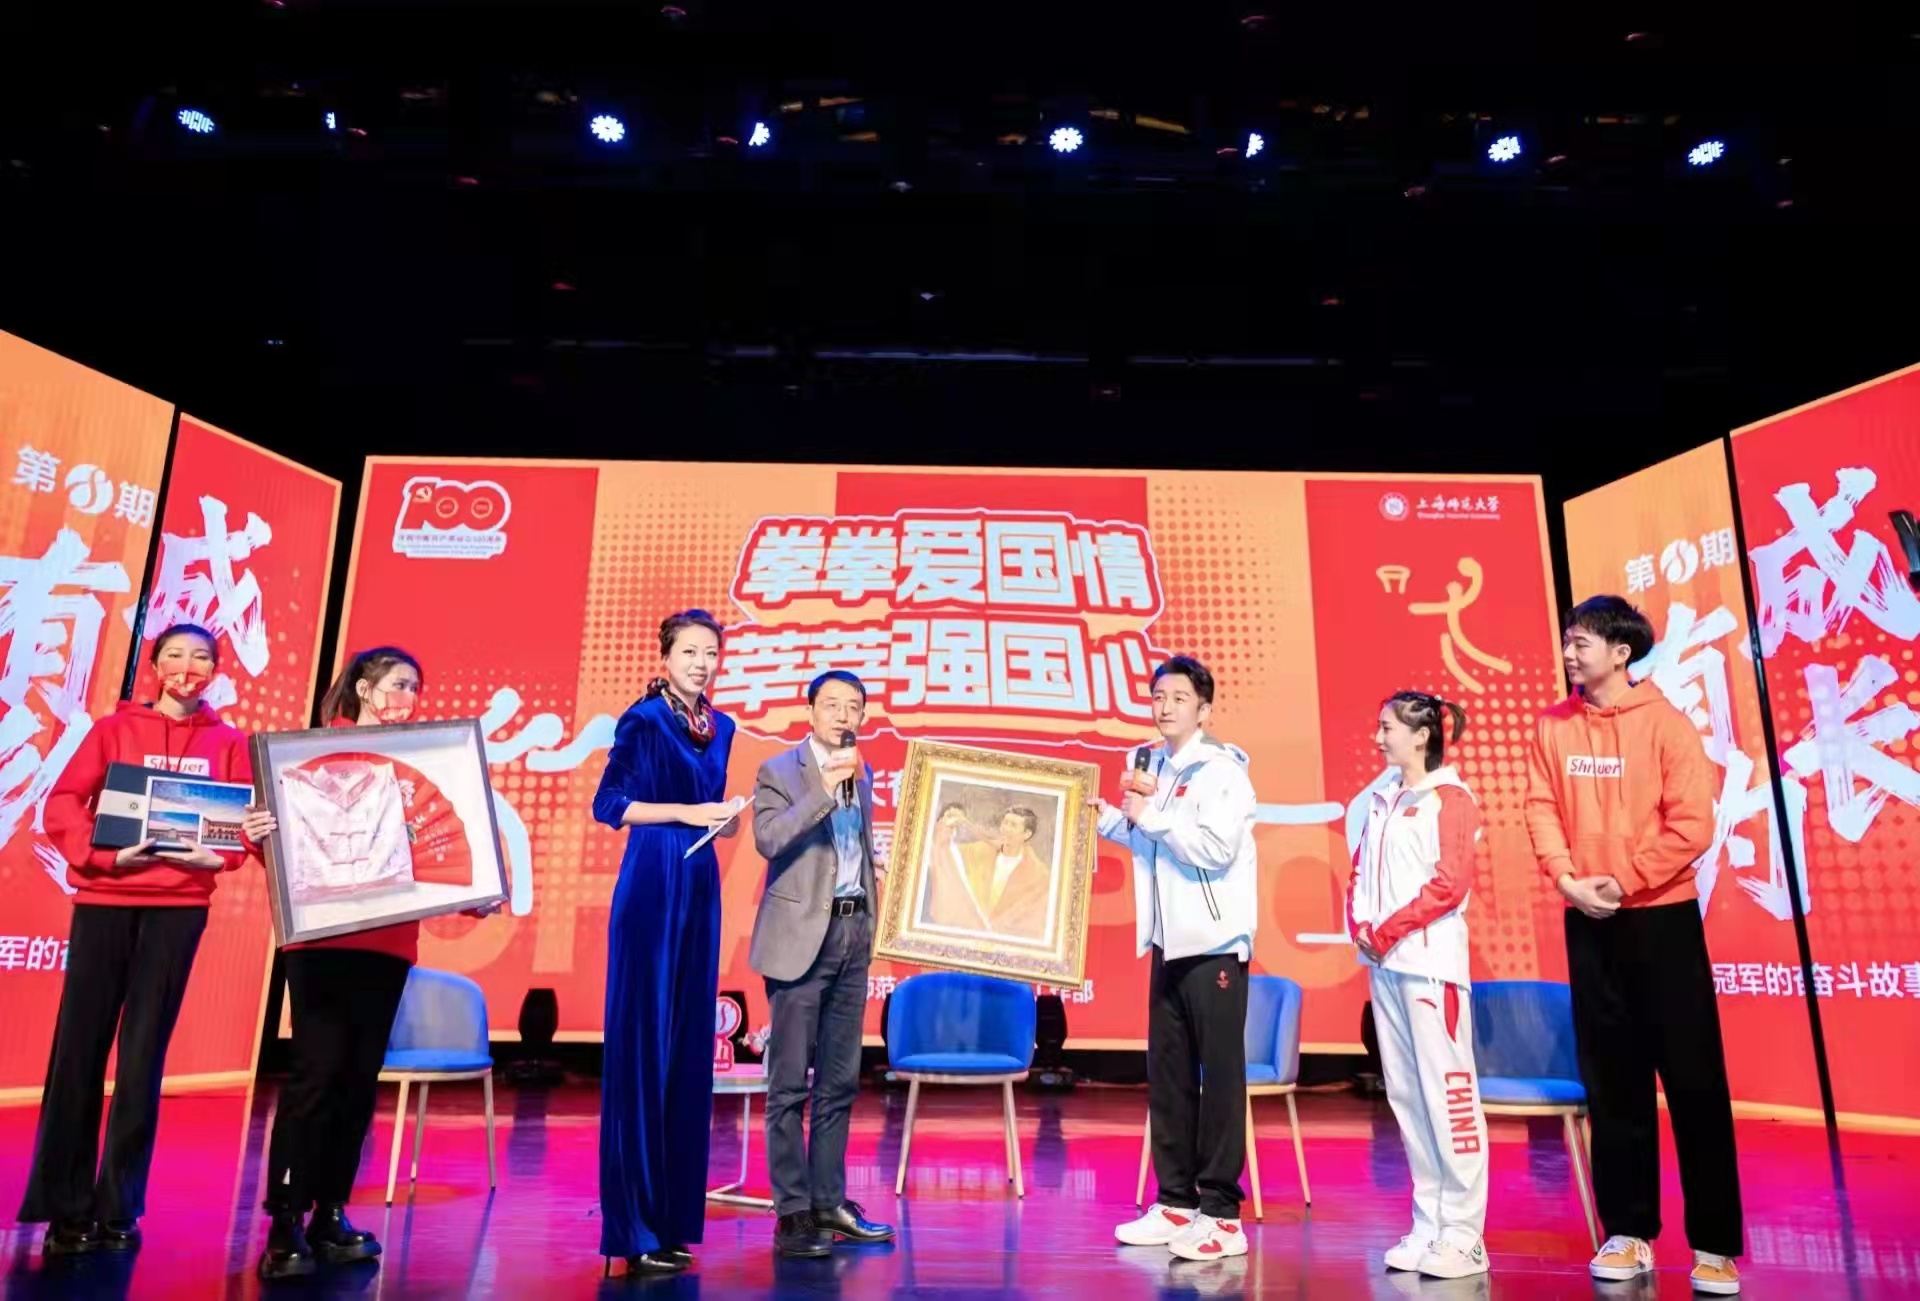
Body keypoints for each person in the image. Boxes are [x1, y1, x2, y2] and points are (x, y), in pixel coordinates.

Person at [20, 624, 275, 1256]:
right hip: (106, 901)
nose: (188, 667)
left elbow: (244, 824)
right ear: (155, 665)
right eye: (176, 655)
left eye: (202, 657)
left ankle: (119, 1206)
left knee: (142, 1059)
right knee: (78, 1053)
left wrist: (229, 853)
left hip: (178, 908)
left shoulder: (230, 743)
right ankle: (64, 1207)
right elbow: (63, 803)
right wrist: (105, 856)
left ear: (215, 670)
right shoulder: (113, 730)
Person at [254, 647, 500, 1281]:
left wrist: (472, 894)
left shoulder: (419, 765)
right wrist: (264, 836)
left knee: (359, 1081)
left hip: (387, 944)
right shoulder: (308, 754)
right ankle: (285, 1219)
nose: (406, 697)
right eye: (396, 684)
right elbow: (292, 852)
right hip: (321, 942)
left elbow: (432, 855)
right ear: (363, 689)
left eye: (415, 687)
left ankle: (330, 1211)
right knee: (316, 1075)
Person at [1525, 596, 1742, 1296]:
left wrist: (1624, 880)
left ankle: (1714, 1244)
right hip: (1588, 917)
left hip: (1661, 919)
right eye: (1567, 640)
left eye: (1581, 642)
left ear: (1621, 653)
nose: (1569, 653)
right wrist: (1567, 879)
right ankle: (1628, 1231)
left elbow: (1693, 824)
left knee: (1694, 1081)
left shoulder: (1666, 724)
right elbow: (1540, 806)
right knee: (1612, 1082)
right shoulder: (1552, 725)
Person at [594, 611, 745, 1275]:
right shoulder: (644, 719)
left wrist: (724, 820)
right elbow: (609, 804)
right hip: (654, 876)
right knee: (643, 1049)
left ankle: (673, 1222)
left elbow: (709, 805)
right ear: (666, 656)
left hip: (701, 881)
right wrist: (687, 812)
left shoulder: (722, 727)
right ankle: (634, 1227)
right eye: (690, 652)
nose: (702, 663)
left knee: (685, 1052)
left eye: (711, 652)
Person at [1096, 655, 1258, 1262]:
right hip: (1167, 944)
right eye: (1158, 696)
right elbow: (1150, 838)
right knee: (1168, 1077)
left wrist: (1152, 817)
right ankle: (1175, 1202)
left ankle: (1222, 1214)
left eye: (1179, 698)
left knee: (1220, 1082)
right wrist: (1103, 819)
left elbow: (1214, 849)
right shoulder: (1152, 765)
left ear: (1204, 709)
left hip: (1214, 946)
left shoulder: (1223, 771)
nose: (1165, 706)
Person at [748, 669, 895, 1258]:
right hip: (799, 940)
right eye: (831, 705)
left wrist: (876, 875)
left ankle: (829, 1201)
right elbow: (769, 839)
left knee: (838, 1081)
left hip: (853, 933)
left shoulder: (864, 773)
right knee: (789, 1084)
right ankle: (792, 1213)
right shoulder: (778, 770)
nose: (842, 716)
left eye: (853, 707)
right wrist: (824, 790)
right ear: (810, 711)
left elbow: (849, 850)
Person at [1348, 691, 1489, 1280]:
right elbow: (1360, 870)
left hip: (1432, 969)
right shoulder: (1382, 797)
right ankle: (1429, 1223)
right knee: (1406, 1098)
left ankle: (1465, 1234)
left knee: (1448, 1097)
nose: (1378, 738)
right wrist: (1360, 926)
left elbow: (1449, 884)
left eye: (1388, 728)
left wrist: (1387, 931)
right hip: (1386, 967)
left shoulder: (1451, 799)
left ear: (1422, 735)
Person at [922, 803, 1051, 940]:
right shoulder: (980, 851)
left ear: (1026, 834)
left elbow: (1036, 921)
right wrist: (946, 826)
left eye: (1013, 825)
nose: (1006, 829)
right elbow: (947, 856)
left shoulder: (1039, 875)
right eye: (1005, 823)